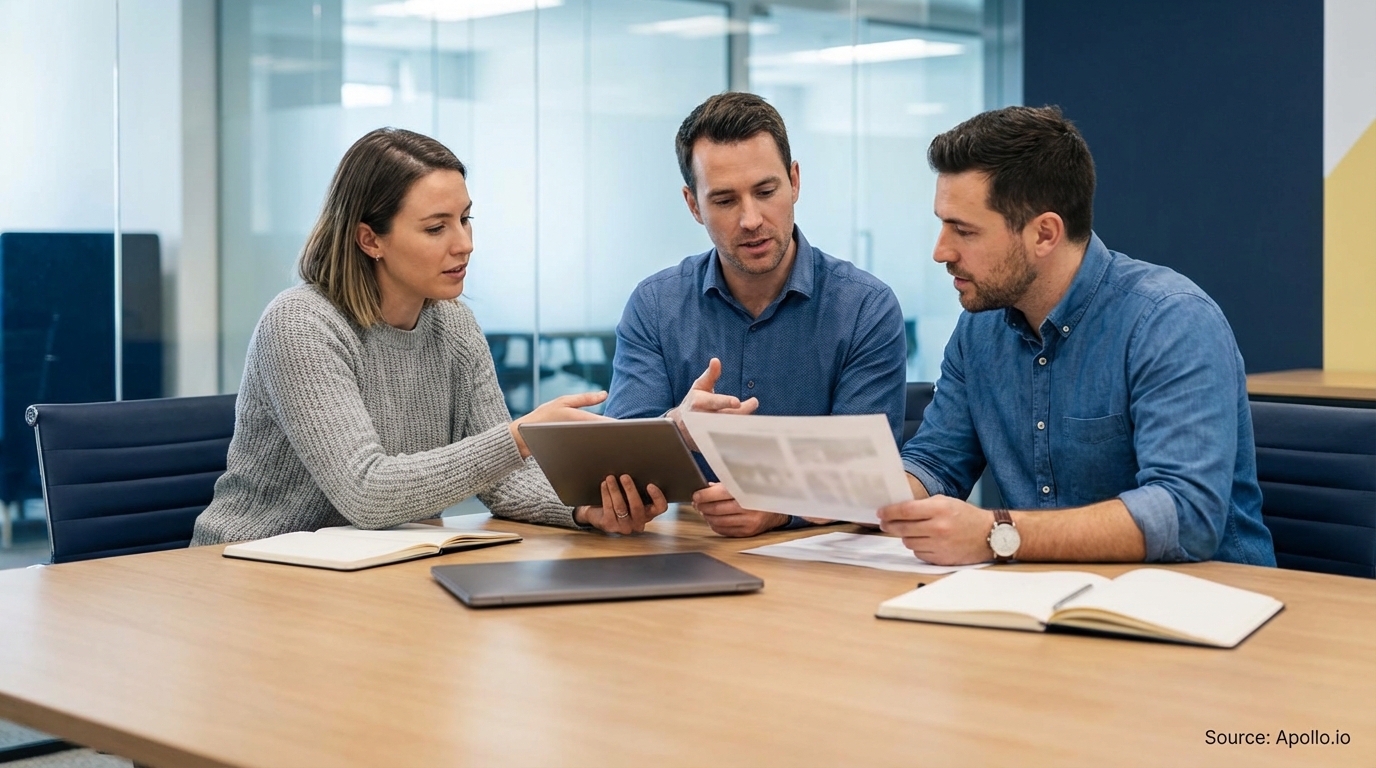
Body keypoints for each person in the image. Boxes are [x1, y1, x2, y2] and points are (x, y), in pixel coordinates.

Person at [191, 128, 665, 546]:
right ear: (369, 240)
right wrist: (519, 436)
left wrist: (582, 509)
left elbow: (503, 482)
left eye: (465, 219)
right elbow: (367, 493)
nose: (464, 243)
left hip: (379, 568)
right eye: (437, 227)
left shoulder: (453, 324)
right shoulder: (301, 324)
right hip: (256, 568)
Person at [877, 106, 1275, 567]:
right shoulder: (980, 328)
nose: (940, 251)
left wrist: (997, 533)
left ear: (1044, 234)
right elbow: (937, 463)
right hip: (1046, 596)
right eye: (942, 223)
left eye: (963, 230)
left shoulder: (1171, 321)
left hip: (1205, 607)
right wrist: (840, 492)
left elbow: (1185, 516)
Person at [605, 92, 908, 538]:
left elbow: (866, 480)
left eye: (766, 192)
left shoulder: (865, 307)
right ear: (694, 205)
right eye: (725, 201)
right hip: (686, 550)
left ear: (794, 181)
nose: (751, 219)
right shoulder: (655, 305)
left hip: (817, 562)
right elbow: (618, 471)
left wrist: (781, 509)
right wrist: (676, 427)